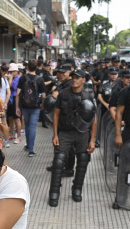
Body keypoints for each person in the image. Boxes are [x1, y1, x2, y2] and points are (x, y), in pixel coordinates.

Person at [48, 69, 97, 207]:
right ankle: (54, 192)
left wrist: (92, 140)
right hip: (65, 132)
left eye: (78, 78)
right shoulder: (63, 94)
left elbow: (94, 118)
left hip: (82, 133)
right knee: (58, 161)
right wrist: (55, 134)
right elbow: (56, 115)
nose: (74, 80)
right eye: (73, 77)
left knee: (83, 160)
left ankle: (77, 189)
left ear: (83, 80)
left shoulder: (88, 96)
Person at [16, 59, 46, 157]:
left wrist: (17, 107)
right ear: (37, 67)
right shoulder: (40, 79)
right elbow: (44, 95)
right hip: (36, 106)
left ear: (27, 67)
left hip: (25, 105)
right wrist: (42, 104)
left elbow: (17, 94)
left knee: (27, 125)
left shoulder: (22, 78)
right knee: (32, 126)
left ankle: (28, 145)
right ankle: (31, 150)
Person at [7, 63, 22, 144]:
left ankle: (19, 136)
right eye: (10, 71)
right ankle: (11, 134)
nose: (11, 73)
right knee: (10, 118)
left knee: (17, 119)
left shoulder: (18, 78)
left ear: (16, 71)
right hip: (10, 100)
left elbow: (10, 86)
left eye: (12, 71)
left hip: (16, 100)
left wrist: (11, 77)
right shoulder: (12, 78)